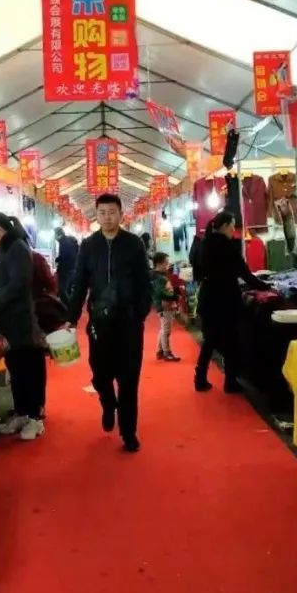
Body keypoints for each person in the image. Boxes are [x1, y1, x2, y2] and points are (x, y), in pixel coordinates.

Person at [68, 194, 152, 453]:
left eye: (112, 212)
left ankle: (129, 432)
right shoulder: (88, 245)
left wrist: (141, 312)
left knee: (129, 378)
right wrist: (71, 318)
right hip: (99, 323)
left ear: (121, 214)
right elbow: (79, 283)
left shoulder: (134, 244)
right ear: (97, 215)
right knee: (100, 373)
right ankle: (107, 403)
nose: (107, 217)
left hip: (129, 321)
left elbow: (144, 280)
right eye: (102, 212)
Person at [0, 213, 45, 441]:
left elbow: (19, 282)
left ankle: (35, 418)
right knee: (17, 368)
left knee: (28, 367)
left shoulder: (17, 248)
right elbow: (0, 283)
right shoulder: (5, 250)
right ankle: (21, 413)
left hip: (21, 320)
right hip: (9, 321)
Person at [195, 211, 269, 394]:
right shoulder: (228, 246)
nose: (233, 229)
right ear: (226, 226)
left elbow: (198, 272)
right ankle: (230, 382)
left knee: (209, 340)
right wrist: (266, 287)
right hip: (226, 299)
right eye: (232, 225)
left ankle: (200, 378)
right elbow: (245, 274)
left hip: (208, 297)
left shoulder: (204, 243)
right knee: (231, 341)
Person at [152, 252, 182, 361]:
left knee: (163, 329)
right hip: (165, 306)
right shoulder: (160, 278)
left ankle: (160, 350)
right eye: (166, 263)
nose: (167, 265)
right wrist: (175, 296)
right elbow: (161, 293)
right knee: (166, 330)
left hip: (162, 305)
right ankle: (167, 352)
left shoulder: (156, 276)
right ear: (159, 264)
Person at [54, 226, 79, 303]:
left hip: (65, 270)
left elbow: (65, 256)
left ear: (58, 234)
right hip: (73, 269)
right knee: (68, 290)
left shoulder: (63, 242)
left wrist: (58, 259)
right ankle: (69, 306)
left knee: (62, 290)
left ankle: (68, 307)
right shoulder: (69, 241)